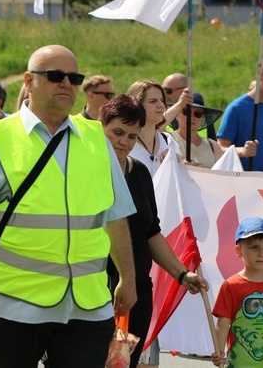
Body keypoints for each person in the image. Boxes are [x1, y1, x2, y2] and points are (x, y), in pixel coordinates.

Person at [0, 45, 137, 367]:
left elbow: (115, 217)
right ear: (28, 81)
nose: (67, 83)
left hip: (86, 306)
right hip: (11, 303)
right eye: (55, 75)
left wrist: (128, 279)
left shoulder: (95, 139)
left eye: (74, 77)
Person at [99, 95, 209, 367]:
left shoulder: (139, 175)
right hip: (94, 291)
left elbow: (151, 233)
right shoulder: (86, 173)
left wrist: (182, 274)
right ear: (101, 127)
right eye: (117, 133)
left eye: (132, 136)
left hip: (136, 292)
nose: (124, 141)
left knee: (124, 363)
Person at [211, 217, 263, 368]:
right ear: (239, 250)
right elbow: (223, 325)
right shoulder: (230, 286)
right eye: (254, 247)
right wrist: (219, 352)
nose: (261, 253)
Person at [127, 80, 177, 176]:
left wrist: (177, 162)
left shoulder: (169, 142)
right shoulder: (124, 144)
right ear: (136, 105)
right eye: (153, 101)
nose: (161, 105)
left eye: (162, 100)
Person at [171, 91, 223, 168]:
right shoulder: (168, 140)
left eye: (197, 114)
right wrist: (181, 167)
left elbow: (223, 174)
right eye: (186, 112)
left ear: (202, 118)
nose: (191, 118)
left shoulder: (213, 146)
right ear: (176, 114)